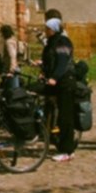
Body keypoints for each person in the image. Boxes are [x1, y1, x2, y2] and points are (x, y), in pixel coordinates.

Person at [41, 17, 76, 162]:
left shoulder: (62, 41)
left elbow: (62, 61)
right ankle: (52, 139)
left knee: (65, 117)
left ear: (53, 29)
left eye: (47, 28)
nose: (46, 31)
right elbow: (51, 60)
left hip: (65, 82)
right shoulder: (52, 42)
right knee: (51, 111)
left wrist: (54, 77)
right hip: (56, 83)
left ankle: (67, 151)